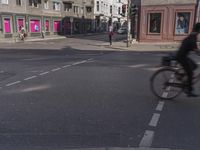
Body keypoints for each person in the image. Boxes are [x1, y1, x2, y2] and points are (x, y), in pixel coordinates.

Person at [176, 23, 200, 97]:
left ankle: (182, 75)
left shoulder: (192, 35)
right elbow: (196, 51)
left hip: (182, 55)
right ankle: (189, 91)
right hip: (181, 57)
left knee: (195, 65)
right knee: (190, 73)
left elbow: (195, 49)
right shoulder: (193, 38)